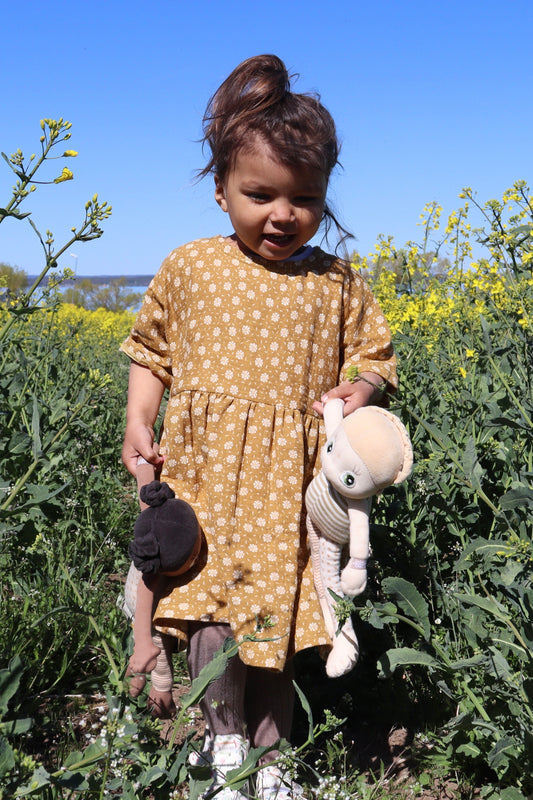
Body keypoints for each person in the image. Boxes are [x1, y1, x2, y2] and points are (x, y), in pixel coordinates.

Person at [121, 54, 397, 800]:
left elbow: (375, 357)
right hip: (207, 473)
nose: (283, 213)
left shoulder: (336, 281)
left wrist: (358, 384)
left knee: (276, 624)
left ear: (324, 197)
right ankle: (225, 748)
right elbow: (152, 355)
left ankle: (272, 762)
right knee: (209, 611)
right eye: (259, 194)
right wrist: (138, 420)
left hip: (286, 480)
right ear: (219, 191)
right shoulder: (191, 268)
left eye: (304, 198)